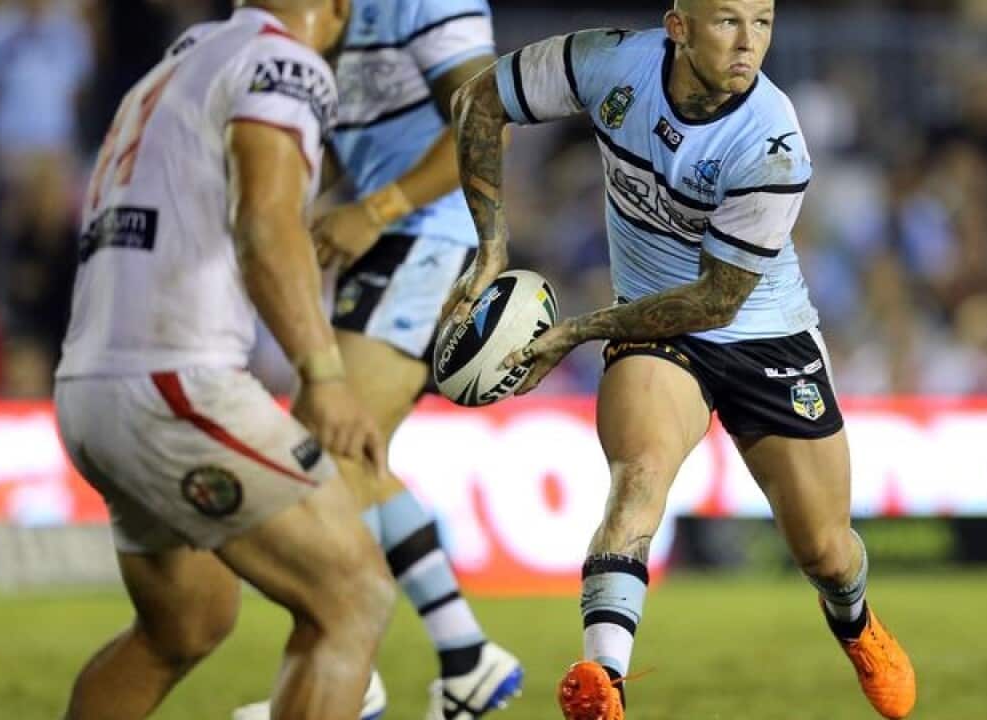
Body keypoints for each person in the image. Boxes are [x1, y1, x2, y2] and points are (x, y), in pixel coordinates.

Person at [446, 1, 917, 718]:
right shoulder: (608, 63)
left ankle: (856, 622)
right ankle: (604, 683)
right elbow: (480, 97)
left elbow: (716, 302)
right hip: (654, 329)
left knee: (826, 551)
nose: (748, 42)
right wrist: (491, 244)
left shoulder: (773, 141)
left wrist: (578, 332)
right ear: (678, 27)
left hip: (763, 333)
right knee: (637, 480)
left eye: (762, 23)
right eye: (728, 21)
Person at [52, 3, 399, 719]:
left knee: (184, 626)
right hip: (177, 384)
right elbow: (266, 221)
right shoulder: (286, 64)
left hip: (94, 384)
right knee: (351, 594)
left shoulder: (184, 59)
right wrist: (323, 374)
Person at [234, 2, 523, 719]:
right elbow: (360, 136)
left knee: (317, 458)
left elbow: (484, 119)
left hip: (430, 235)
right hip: (393, 238)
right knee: (355, 457)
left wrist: (377, 208)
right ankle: (467, 658)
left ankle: (347, 681)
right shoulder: (336, 14)